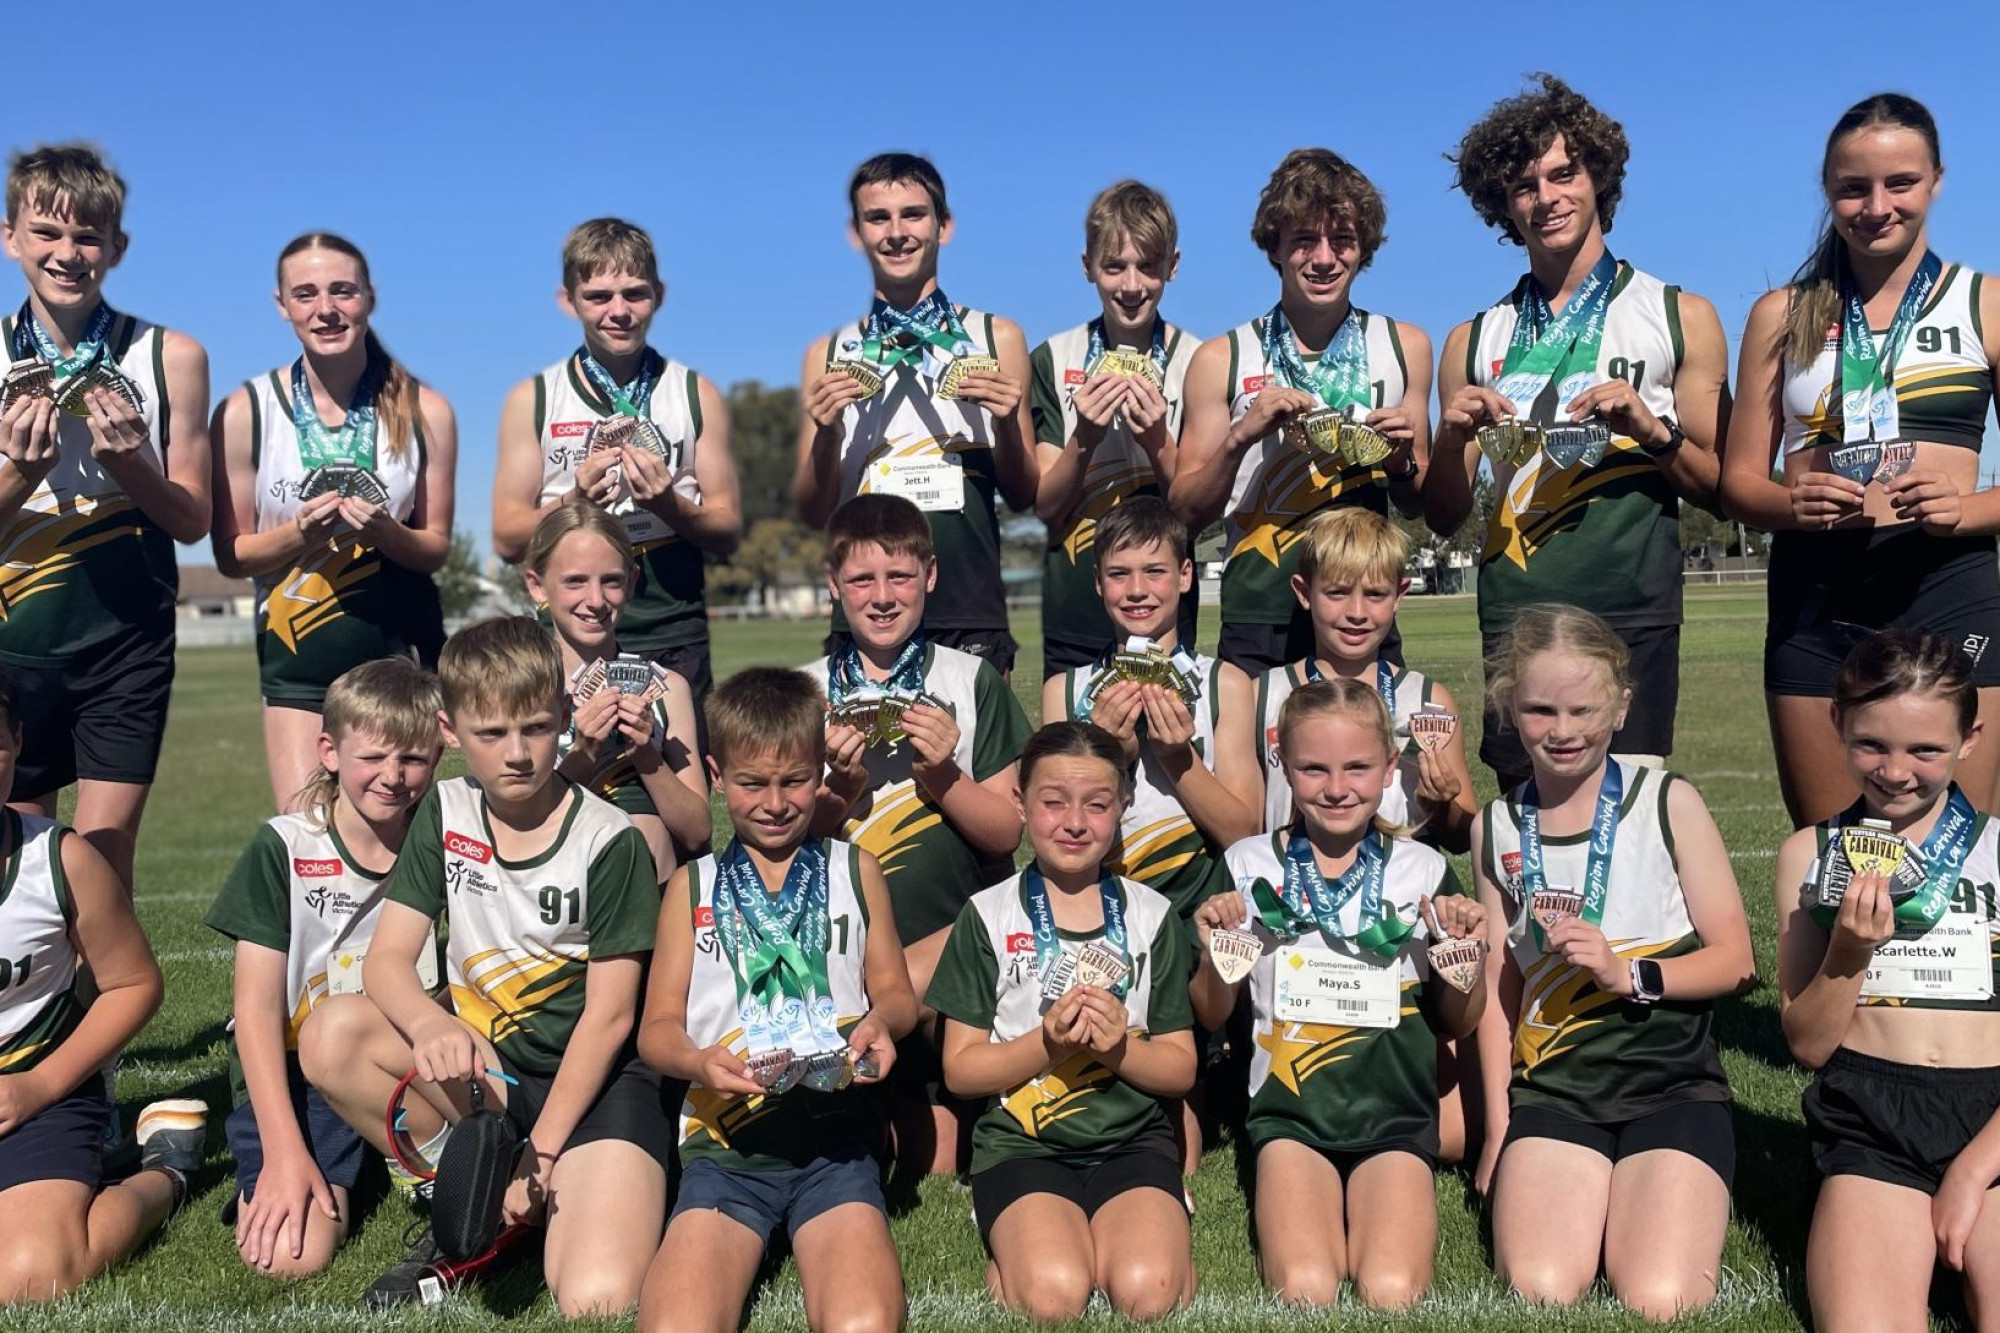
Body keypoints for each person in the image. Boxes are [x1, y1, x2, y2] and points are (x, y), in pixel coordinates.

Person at [311, 617, 669, 1315]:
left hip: (596, 1083)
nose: (517, 753)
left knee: (596, 1296)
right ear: (449, 728)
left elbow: (611, 1016)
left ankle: (542, 1188)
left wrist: (543, 1153)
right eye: (491, 732)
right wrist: (426, 1022)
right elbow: (387, 961)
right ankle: (467, 1187)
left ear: (566, 717)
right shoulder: (444, 809)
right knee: (332, 1033)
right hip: (491, 1072)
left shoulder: (609, 838)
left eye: (536, 727)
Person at [1426, 74, 1730, 791]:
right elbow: (1442, 515)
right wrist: (1446, 441)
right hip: (1516, 614)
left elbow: (1724, 490)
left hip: (1634, 604)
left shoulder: (1680, 313)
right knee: (1523, 821)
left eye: (1565, 173)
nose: (1547, 197)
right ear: (1503, 204)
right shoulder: (1472, 339)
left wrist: (1653, 431)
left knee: (1628, 814)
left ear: (1599, 180)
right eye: (1525, 185)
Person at [1720, 93, 2000, 826]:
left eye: (1900, 183)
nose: (1877, 206)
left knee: (1960, 854)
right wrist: (1790, 502)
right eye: (1853, 187)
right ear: (1828, 190)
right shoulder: (1783, 314)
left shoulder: (1985, 303)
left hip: (1948, 582)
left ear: (1937, 179)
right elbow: (1738, 483)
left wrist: (1964, 509)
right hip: (1819, 595)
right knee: (1831, 860)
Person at [1470, 604, 1755, 1320]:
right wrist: (1500, 1126)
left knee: (1659, 1296)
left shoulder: (1669, 801)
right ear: (1510, 706)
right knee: (1540, 1286)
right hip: (1556, 1091)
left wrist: (1632, 972)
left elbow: (1737, 960)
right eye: (1539, 709)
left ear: (1623, 706)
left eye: (1583, 709)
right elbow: (1500, 985)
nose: (1562, 730)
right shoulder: (1495, 826)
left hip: (1672, 1086)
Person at [1190, 678, 1487, 1309]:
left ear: (1388, 769)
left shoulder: (1423, 869)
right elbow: (1210, 1012)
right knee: (1305, 1289)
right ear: (1283, 766)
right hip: (1291, 1121)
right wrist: (1220, 958)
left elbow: (1457, 1022)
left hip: (1395, 1121)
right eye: (1313, 768)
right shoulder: (1247, 866)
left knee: (1392, 1290)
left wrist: (1467, 968)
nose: (1336, 787)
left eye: (1357, 767)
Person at [636, 668, 916, 1333]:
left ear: (821, 770)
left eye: (794, 780)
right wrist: (701, 1062)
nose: (774, 802)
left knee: (864, 1325)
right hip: (726, 1151)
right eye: (751, 783)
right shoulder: (691, 887)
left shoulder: (855, 870)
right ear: (715, 773)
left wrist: (883, 1022)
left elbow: (898, 992)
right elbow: (657, 1031)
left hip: (837, 1149)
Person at [927, 721, 1197, 1322]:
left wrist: (1118, 1049)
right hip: (1022, 1145)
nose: (1074, 822)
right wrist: (1047, 1044)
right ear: (1020, 804)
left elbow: (1180, 1070)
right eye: (1053, 803)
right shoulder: (987, 915)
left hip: (1132, 1140)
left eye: (1097, 805)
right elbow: (962, 1071)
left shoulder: (1153, 917)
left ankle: (1158, 1245)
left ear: (1123, 807)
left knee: (1146, 1292)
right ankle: (1015, 1256)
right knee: (1056, 1295)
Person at [1773, 629, 2000, 1331]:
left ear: (1970, 736)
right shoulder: (1809, 854)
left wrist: (1971, 1171)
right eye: (1872, 743)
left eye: (1925, 749)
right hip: (1871, 1122)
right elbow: (1808, 1045)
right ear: (1837, 722)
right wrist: (1847, 950)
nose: (1896, 770)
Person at [0, 144, 211, 885]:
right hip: (12, 641)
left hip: (125, 640)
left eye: (88, 236)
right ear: (9, 235)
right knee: (17, 856)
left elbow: (192, 520)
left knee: (101, 860)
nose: (68, 253)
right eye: (47, 233)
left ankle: (102, 999)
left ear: (117, 247)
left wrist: (129, 464)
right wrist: (19, 472)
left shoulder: (169, 354)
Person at [807, 494, 1029, 1172]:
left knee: (931, 1152)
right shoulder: (804, 691)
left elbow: (1008, 832)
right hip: (841, 944)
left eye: (899, 577)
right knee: (911, 1154)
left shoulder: (972, 680)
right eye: (862, 580)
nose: (881, 597)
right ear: (833, 584)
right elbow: (778, 848)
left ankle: (886, 1074)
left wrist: (944, 775)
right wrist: (839, 792)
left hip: (951, 950)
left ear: (930, 576)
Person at [203, 658, 442, 1277]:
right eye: (374, 757)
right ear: (329, 751)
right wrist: (284, 1151)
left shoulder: (449, 838)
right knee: (289, 1259)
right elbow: (254, 1011)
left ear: (439, 754)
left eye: (413, 759)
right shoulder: (284, 846)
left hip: (406, 1056)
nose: (393, 776)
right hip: (297, 1072)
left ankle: (423, 1165)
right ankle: (167, 1163)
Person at [209, 233, 454, 811]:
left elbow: (435, 546)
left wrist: (386, 534)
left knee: (394, 833)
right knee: (309, 834)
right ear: (282, 305)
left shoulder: (426, 409)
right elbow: (228, 553)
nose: (326, 309)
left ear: (368, 297)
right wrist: (298, 535)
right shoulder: (247, 411)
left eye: (343, 291)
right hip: (297, 648)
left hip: (397, 647)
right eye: (307, 294)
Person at [1171, 148, 1430, 675]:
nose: (1324, 258)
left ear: (1365, 249)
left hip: (1361, 611)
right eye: (1304, 240)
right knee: (1250, 760)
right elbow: (1183, 514)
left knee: (1362, 759)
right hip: (1258, 612)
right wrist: (1240, 438)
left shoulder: (1405, 346)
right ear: (1275, 247)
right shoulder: (1223, 357)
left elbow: (1420, 504)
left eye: (1343, 240)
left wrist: (1402, 462)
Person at [0, 662, 207, 1303]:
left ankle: (164, 1171)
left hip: (39, 1090)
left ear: (16, 746)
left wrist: (38, 1086)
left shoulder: (59, 860)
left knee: (34, 1276)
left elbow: (133, 985)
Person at [492, 217, 742, 745]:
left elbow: (726, 529)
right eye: (599, 296)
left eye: (635, 293)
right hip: (566, 631)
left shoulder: (695, 394)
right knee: (569, 787)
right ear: (569, 301)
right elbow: (509, 536)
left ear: (659, 295)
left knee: (679, 795)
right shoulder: (533, 398)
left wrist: (670, 505)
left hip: (671, 626)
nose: (619, 311)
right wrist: (573, 501)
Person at [791, 153, 1038, 676]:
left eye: (914, 215)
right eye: (878, 218)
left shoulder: (999, 338)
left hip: (970, 604)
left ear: (943, 226)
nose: (897, 232)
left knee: (976, 757)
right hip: (864, 610)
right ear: (855, 233)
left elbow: (1022, 495)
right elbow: (814, 512)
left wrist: (1008, 427)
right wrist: (824, 435)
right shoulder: (827, 353)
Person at [1042, 497, 1258, 919]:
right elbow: (1052, 836)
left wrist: (1178, 758)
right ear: (1098, 583)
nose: (1137, 590)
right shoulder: (1064, 691)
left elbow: (1243, 832)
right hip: (1097, 913)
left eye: (1155, 572)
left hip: (1198, 912)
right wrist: (1108, 757)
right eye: (1119, 574)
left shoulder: (1225, 684)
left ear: (1185, 576)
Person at [1031, 181, 1200, 677]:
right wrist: (1083, 437)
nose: (1131, 286)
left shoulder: (1199, 360)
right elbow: (1045, 504)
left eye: (1148, 266)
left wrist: (1157, 442)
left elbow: (1196, 508)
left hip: (1166, 614)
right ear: (1087, 267)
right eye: (1113, 267)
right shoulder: (1052, 357)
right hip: (1073, 612)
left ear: (1173, 265)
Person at [1255, 508, 1478, 853]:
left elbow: (1463, 838)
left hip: (1395, 900)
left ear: (1399, 595)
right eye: (1337, 593)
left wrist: (1441, 804)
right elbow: (1249, 827)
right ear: (1303, 591)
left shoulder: (1427, 699)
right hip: (1288, 896)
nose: (1357, 612)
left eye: (1375, 594)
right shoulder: (1264, 695)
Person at [523, 501, 711, 879]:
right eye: (575, 581)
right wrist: (583, 755)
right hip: (553, 901)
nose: (596, 601)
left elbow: (698, 834)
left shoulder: (667, 689)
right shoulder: (519, 687)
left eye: (611, 581)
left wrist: (646, 755)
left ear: (632, 582)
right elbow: (519, 829)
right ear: (537, 586)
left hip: (653, 907)